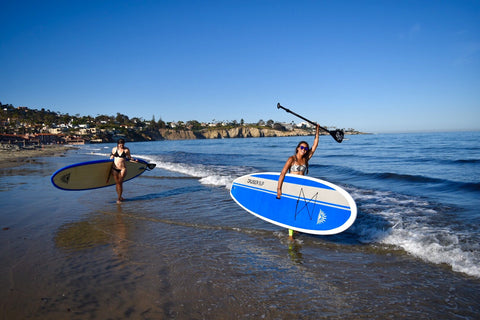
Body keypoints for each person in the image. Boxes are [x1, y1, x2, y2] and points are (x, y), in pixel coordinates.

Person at [276, 124, 320, 239]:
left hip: (302, 187)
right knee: (292, 209)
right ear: (297, 148)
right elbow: (283, 173)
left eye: (306, 148)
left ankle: (295, 228)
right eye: (302, 147)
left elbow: (315, 146)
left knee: (300, 208)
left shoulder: (306, 159)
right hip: (291, 187)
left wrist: (317, 130)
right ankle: (290, 235)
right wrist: (279, 189)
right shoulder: (292, 159)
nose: (304, 150)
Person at [110, 139, 136, 203]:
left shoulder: (126, 150)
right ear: (118, 144)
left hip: (122, 169)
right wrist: (111, 156)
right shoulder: (114, 149)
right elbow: (111, 156)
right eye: (120, 144)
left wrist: (134, 160)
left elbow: (129, 157)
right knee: (117, 183)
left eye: (122, 144)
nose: (121, 146)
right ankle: (120, 196)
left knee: (120, 183)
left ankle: (119, 198)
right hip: (114, 168)